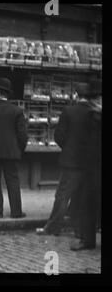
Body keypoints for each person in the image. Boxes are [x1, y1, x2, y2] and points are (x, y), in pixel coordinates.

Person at [36, 83, 94, 236]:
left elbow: (59, 136)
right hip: (89, 162)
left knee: (62, 195)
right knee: (81, 196)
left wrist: (68, 147)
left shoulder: (69, 111)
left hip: (71, 161)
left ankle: (53, 227)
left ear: (76, 95)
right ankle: (80, 230)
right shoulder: (93, 113)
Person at [0, 78, 28, 218]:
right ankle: (16, 211)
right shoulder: (17, 111)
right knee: (13, 181)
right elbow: (23, 135)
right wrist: (19, 150)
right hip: (11, 152)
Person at [70, 80, 102, 250]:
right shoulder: (88, 116)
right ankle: (87, 240)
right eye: (93, 98)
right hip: (90, 167)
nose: (94, 102)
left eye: (97, 98)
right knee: (87, 203)